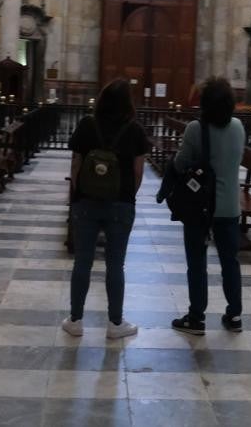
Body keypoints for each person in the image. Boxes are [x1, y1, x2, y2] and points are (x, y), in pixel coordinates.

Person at [62, 78, 149, 340]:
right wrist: (126, 197)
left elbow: (76, 164)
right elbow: (137, 172)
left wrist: (78, 194)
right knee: (115, 264)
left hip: (86, 203)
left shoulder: (87, 124)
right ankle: (115, 323)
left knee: (83, 261)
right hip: (120, 205)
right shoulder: (134, 129)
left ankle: (76, 320)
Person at [171, 78, 247, 336]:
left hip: (201, 207)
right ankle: (234, 315)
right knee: (230, 262)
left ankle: (196, 317)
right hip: (230, 207)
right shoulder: (238, 127)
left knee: (197, 262)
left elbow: (181, 164)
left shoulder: (195, 129)